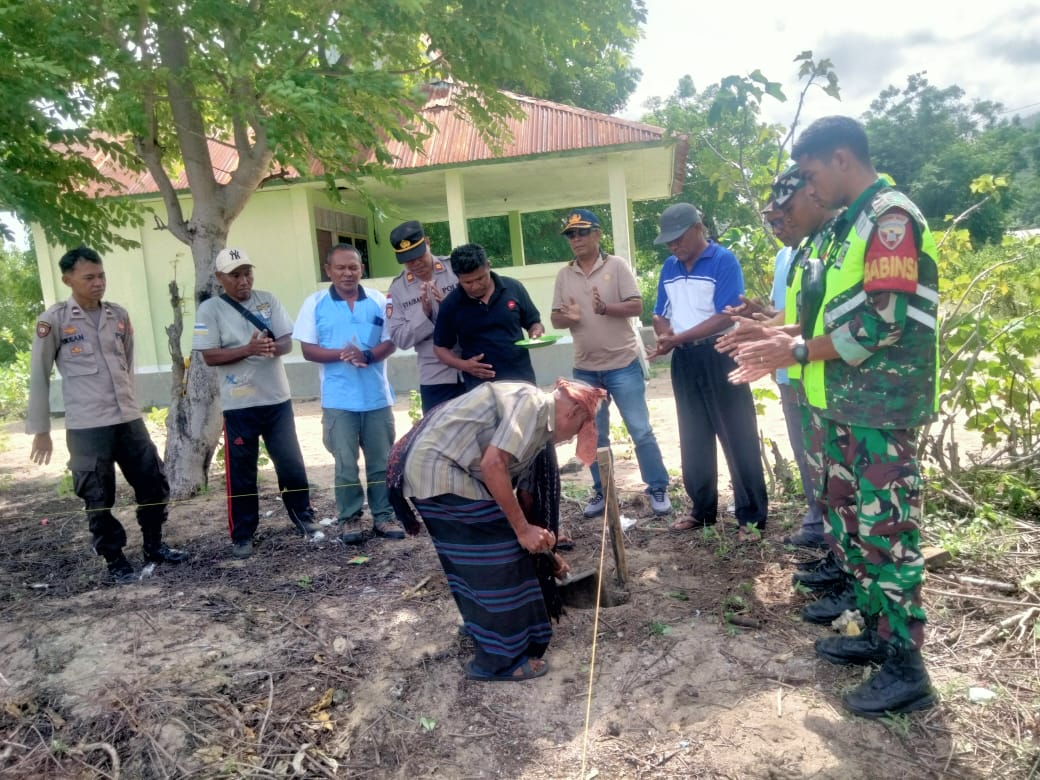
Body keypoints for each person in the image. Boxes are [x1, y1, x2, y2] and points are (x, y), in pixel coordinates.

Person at [724, 116, 939, 717]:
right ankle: (876, 631)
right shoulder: (850, 225)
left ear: (842, 158)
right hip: (843, 402)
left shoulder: (889, 218)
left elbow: (882, 321)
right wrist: (773, 331)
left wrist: (790, 349)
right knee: (856, 527)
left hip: (879, 405)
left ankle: (907, 665)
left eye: (813, 175)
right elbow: (827, 320)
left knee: (887, 534)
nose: (810, 190)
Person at [386, 379, 605, 681]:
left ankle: (484, 630)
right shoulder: (533, 405)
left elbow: (521, 496)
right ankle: (500, 661)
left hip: (439, 470)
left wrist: (545, 551)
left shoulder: (537, 424)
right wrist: (522, 530)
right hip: (437, 469)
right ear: (575, 413)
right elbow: (493, 465)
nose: (572, 439)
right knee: (498, 562)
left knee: (474, 561)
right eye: (581, 428)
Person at [27, 246, 188, 583]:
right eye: (89, 277)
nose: (98, 282)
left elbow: (127, 363)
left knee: (154, 484)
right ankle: (115, 560)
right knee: (98, 497)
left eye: (101, 275)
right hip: (88, 426)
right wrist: (41, 430)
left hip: (128, 420)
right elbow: (39, 376)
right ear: (67, 279)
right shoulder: (54, 320)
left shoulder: (119, 315)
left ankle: (154, 546)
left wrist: (130, 403)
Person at [648, 204, 768, 541]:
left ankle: (752, 519)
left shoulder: (723, 261)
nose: (673, 246)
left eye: (678, 238)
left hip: (720, 354)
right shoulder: (669, 268)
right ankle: (702, 512)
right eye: (668, 241)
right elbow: (660, 312)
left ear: (698, 228)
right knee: (693, 434)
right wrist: (664, 335)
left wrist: (679, 337)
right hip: (683, 360)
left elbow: (726, 316)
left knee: (737, 435)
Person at [192, 247, 320, 559]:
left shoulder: (268, 300)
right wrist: (247, 350)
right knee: (242, 471)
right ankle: (243, 533)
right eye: (235, 275)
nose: (243, 280)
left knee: (290, 462)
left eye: (247, 272)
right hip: (239, 405)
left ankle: (303, 516)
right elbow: (209, 356)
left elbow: (287, 342)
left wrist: (272, 347)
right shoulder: (210, 310)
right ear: (221, 278)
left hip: (276, 399)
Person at [551, 208, 671, 518]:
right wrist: (569, 317)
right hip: (585, 369)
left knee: (640, 429)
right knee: (593, 433)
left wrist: (604, 307)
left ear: (597, 234)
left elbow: (636, 306)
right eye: (570, 235)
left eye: (581, 232)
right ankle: (602, 491)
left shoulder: (616, 266)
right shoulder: (565, 274)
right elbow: (554, 318)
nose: (575, 239)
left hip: (622, 364)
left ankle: (657, 487)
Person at [293, 243, 405, 544]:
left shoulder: (379, 300)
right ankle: (350, 518)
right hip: (339, 399)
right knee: (344, 463)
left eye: (353, 267)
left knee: (382, 461)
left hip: (377, 397)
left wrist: (367, 356)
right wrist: (342, 354)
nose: (347, 273)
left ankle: (384, 516)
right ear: (328, 270)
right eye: (340, 268)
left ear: (361, 269)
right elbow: (307, 349)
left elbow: (391, 341)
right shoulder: (315, 303)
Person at [433, 243, 544, 391]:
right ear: (457, 277)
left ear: (488, 266)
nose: (476, 286)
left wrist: (536, 332)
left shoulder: (513, 288)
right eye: (468, 282)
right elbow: (440, 348)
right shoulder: (451, 304)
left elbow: (534, 323)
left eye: (480, 278)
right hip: (480, 389)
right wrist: (464, 365)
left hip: (521, 383)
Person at [385, 220, 464, 413]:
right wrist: (424, 315)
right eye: (408, 260)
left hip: (473, 363)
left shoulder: (456, 268)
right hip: (435, 375)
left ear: (427, 242)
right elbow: (400, 339)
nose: (416, 263)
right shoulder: (397, 289)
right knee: (438, 436)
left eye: (419, 255)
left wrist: (449, 307)